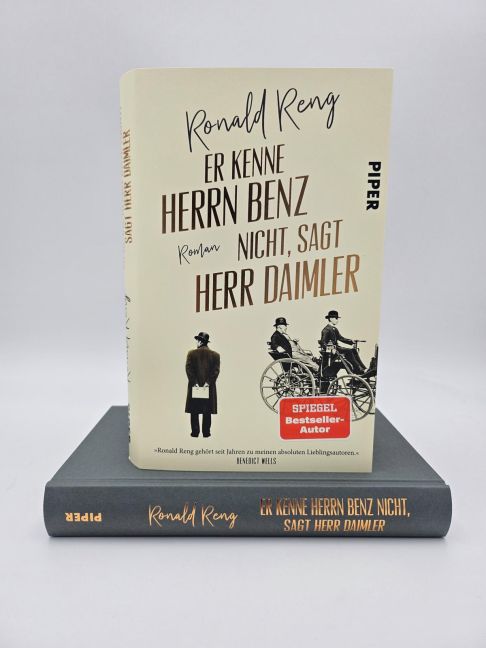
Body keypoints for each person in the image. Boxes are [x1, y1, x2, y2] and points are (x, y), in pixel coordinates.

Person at [185, 332, 220, 438]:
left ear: (200, 341)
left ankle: (195, 433)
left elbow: (189, 370)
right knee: (207, 410)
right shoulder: (215, 355)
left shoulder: (191, 354)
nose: (196, 342)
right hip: (208, 388)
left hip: (194, 387)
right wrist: (207, 383)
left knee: (194, 410)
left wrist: (195, 383)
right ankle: (206, 433)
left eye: (197, 340)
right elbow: (216, 372)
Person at [320, 310, 366, 375]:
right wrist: (331, 349)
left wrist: (351, 341)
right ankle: (358, 369)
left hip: (337, 348)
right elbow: (323, 342)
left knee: (353, 350)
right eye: (336, 318)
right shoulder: (326, 329)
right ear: (331, 319)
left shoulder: (334, 329)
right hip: (332, 350)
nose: (337, 320)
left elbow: (341, 338)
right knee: (349, 351)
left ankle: (362, 368)